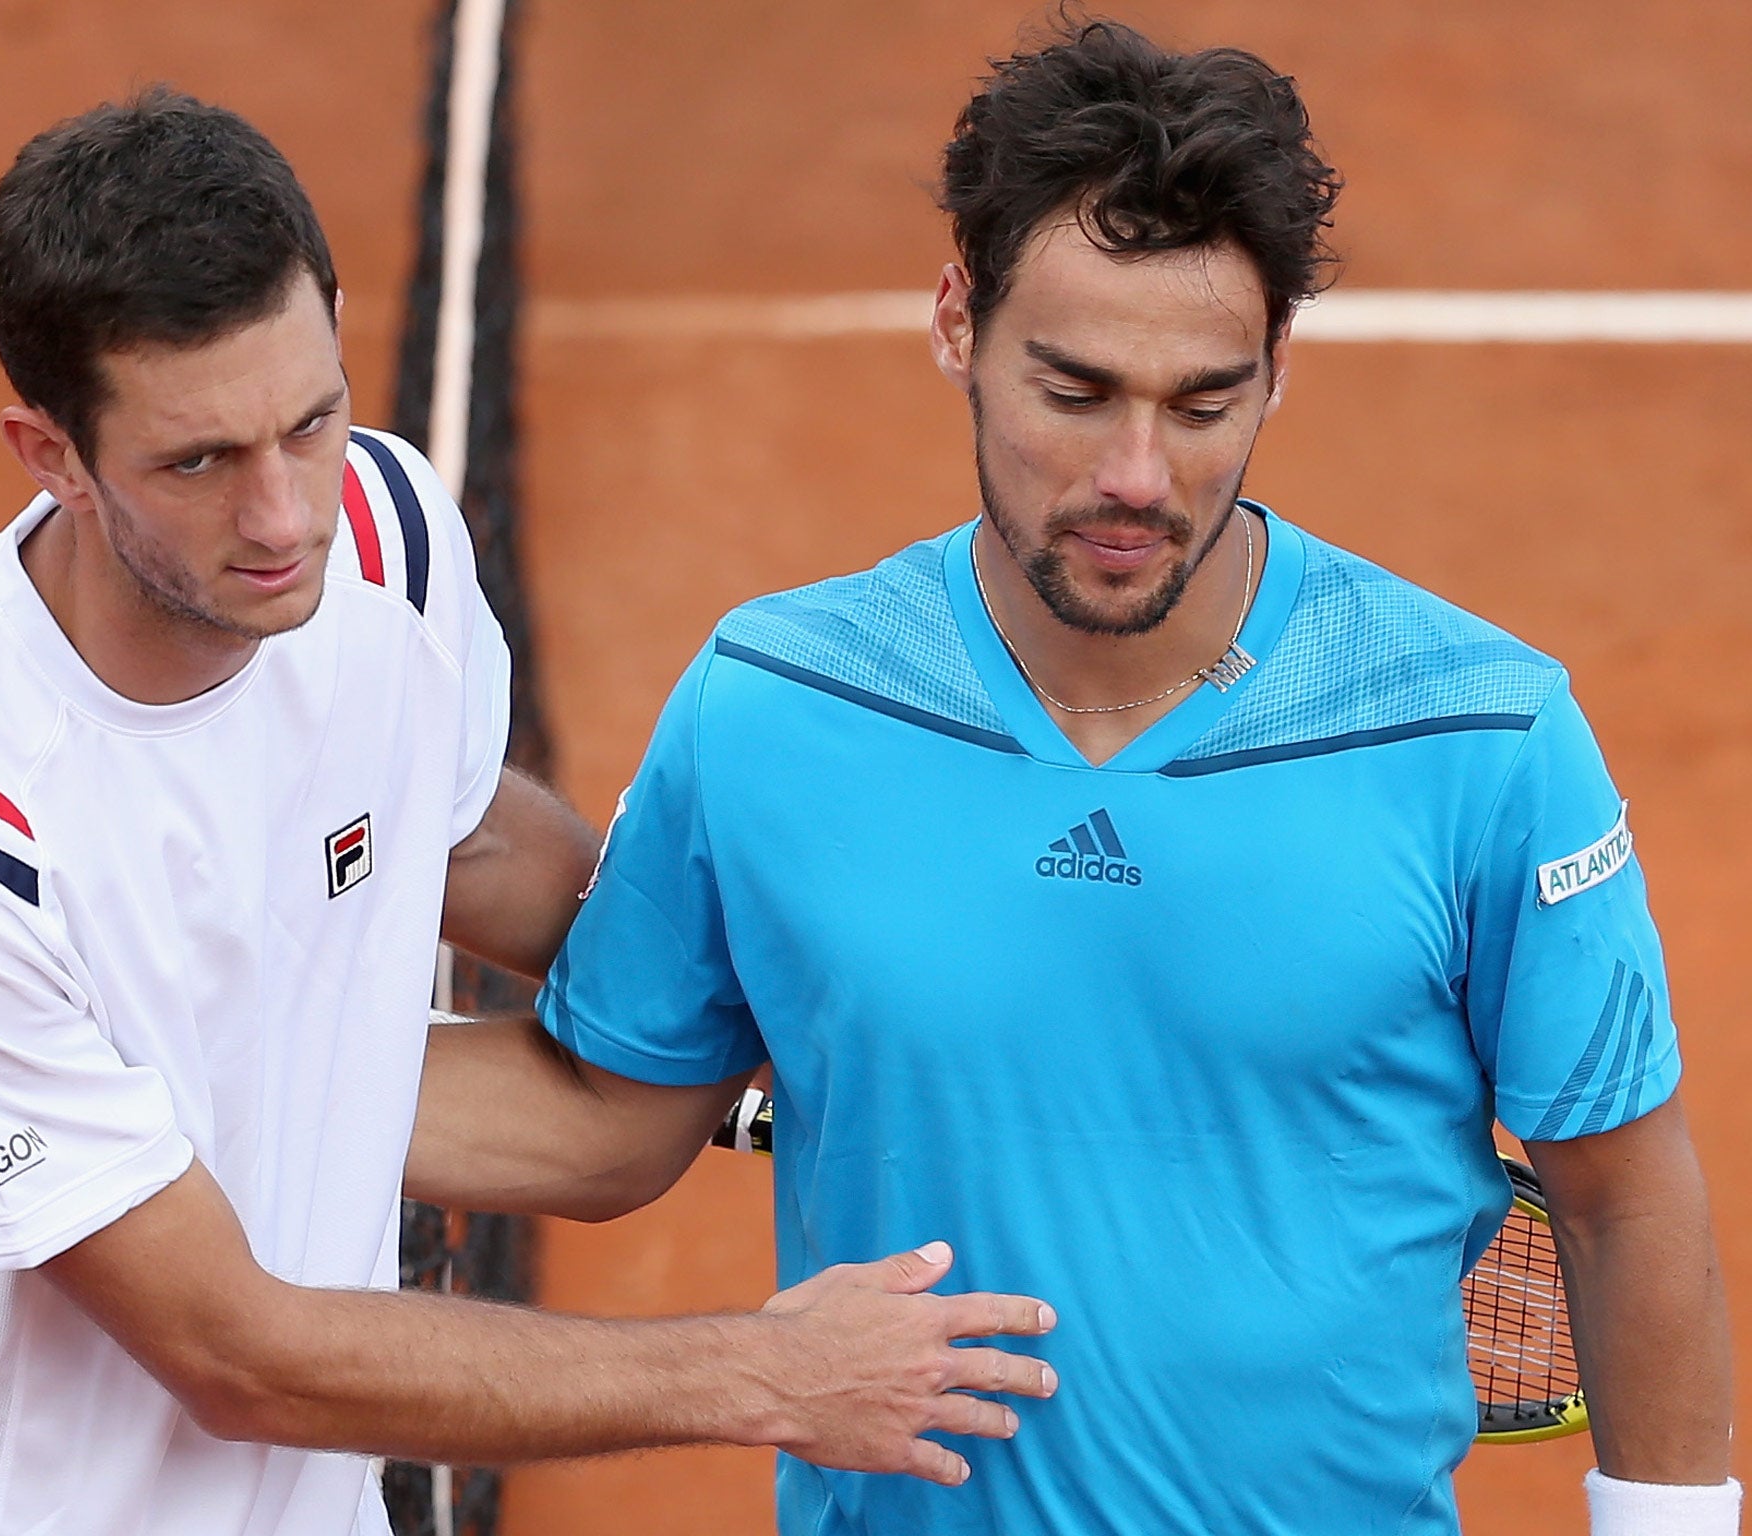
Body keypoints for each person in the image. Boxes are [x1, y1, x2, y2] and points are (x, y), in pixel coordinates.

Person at [405, 19, 1736, 1536]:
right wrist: (198, 1072)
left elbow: (1624, 1198)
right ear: (959, 322)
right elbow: (605, 1122)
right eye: (1078, 390)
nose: (1136, 479)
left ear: (1278, 368)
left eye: (1203, 401)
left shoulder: (1482, 737)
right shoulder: (775, 707)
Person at [0, 89, 1059, 1536]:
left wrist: (805, 1006)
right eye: (199, 462)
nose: (285, 518)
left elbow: (465, 838)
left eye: (311, 420)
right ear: (50, 457)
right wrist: (769, 1375)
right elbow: (239, 1357)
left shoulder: (384, 542)